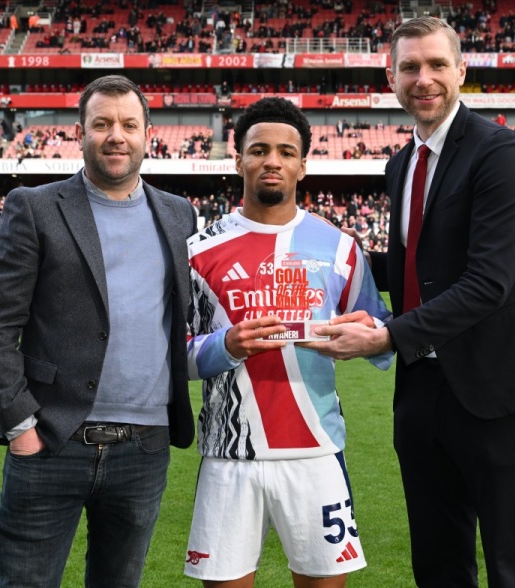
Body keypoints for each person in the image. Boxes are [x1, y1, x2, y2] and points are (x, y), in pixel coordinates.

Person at [304, 17, 515, 588]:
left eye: (436, 65)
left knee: (513, 570)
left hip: (500, 391)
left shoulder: (500, 153)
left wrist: (387, 337)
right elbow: (415, 269)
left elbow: (488, 282)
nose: (423, 79)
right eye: (409, 67)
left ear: (461, 70)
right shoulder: (401, 164)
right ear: (391, 78)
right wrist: (327, 260)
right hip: (423, 393)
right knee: (438, 567)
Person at [0, 74, 196, 587]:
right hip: (52, 439)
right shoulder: (34, 206)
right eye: (102, 124)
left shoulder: (178, 213)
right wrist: (21, 428)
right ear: (80, 133)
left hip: (144, 448)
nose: (116, 135)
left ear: (148, 135)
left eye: (129, 125)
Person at [183, 96, 393, 588]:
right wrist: (226, 346)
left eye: (285, 152)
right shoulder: (197, 251)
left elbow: (382, 334)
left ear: (303, 165)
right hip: (229, 454)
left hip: (316, 452)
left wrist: (364, 337)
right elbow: (170, 354)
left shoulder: (340, 248)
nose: (271, 161)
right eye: (259, 150)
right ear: (238, 161)